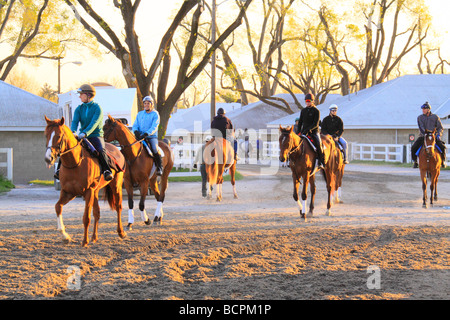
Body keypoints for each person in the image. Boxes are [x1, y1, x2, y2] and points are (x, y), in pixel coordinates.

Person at [54, 84, 113, 181]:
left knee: (100, 150)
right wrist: (72, 131)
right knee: (66, 148)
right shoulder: (79, 108)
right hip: (82, 135)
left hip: (95, 136)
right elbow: (75, 122)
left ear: (88, 95)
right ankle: (59, 170)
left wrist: (85, 133)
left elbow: (94, 123)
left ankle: (107, 170)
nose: (80, 96)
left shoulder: (97, 108)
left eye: (81, 94)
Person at [132, 95, 163, 176]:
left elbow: (154, 126)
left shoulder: (155, 114)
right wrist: (135, 131)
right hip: (140, 137)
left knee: (154, 148)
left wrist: (146, 133)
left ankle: (159, 167)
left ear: (151, 104)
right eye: (145, 103)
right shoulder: (140, 114)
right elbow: (135, 125)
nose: (146, 105)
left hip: (151, 137)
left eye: (148, 103)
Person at [411, 102, 447, 168]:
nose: (423, 110)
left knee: (443, 147)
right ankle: (415, 161)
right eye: (422, 109)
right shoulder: (420, 117)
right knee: (413, 147)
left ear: (428, 109)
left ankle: (443, 161)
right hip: (423, 136)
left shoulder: (435, 117)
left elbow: (440, 128)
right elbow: (421, 127)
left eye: (424, 109)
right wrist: (425, 134)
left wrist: (438, 134)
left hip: (433, 137)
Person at [295, 93, 325, 169]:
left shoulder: (316, 111)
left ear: (312, 101)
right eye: (306, 101)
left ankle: (321, 162)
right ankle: (292, 160)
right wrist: (298, 132)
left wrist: (308, 130)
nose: (307, 102)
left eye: (309, 101)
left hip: (314, 132)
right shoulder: (303, 111)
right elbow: (300, 122)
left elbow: (316, 124)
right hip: (304, 132)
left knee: (318, 144)